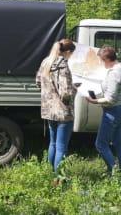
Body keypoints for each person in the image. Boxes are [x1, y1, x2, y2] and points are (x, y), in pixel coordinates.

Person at [87, 45, 121, 176]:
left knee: (100, 144)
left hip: (113, 111)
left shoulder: (114, 74)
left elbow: (110, 99)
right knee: (118, 142)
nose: (101, 64)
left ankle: (114, 173)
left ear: (107, 59)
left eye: (101, 61)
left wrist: (94, 101)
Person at [36, 39, 77, 182]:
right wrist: (76, 89)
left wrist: (49, 95)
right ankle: (58, 181)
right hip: (62, 112)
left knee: (52, 143)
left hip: (48, 110)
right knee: (61, 148)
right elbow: (65, 93)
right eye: (71, 54)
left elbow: (38, 82)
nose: (71, 56)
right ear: (67, 52)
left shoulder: (45, 62)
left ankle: (50, 174)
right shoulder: (63, 65)